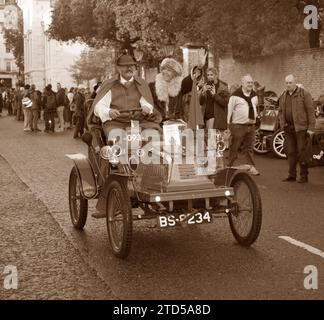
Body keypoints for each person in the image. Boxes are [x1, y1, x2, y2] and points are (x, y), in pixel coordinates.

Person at [88, 53, 160, 138]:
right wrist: (108, 112)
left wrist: (147, 107)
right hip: (115, 123)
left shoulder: (142, 83)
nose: (129, 68)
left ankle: (150, 151)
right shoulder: (109, 84)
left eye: (132, 66)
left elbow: (147, 102)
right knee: (118, 138)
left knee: (155, 136)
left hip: (139, 122)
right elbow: (99, 106)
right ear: (118, 68)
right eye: (125, 66)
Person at [278, 74, 316, 183]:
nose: (288, 85)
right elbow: (280, 111)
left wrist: (311, 129)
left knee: (302, 151)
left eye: (290, 82)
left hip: (301, 128)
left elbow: (310, 112)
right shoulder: (283, 95)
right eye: (286, 83)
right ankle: (292, 175)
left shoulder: (304, 94)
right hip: (288, 128)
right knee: (290, 152)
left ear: (295, 82)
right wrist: (282, 124)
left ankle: (304, 176)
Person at [227, 74, 260, 176]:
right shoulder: (235, 96)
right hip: (238, 126)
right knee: (234, 147)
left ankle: (251, 167)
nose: (250, 84)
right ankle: (229, 167)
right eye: (248, 83)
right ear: (242, 83)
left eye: (251, 82)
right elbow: (229, 111)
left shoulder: (255, 95)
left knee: (249, 148)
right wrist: (228, 126)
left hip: (251, 126)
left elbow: (255, 108)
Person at [149, 58, 183, 123]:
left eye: (169, 70)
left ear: (175, 74)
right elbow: (150, 106)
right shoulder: (152, 87)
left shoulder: (180, 88)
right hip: (157, 122)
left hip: (175, 123)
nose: (165, 72)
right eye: (164, 69)